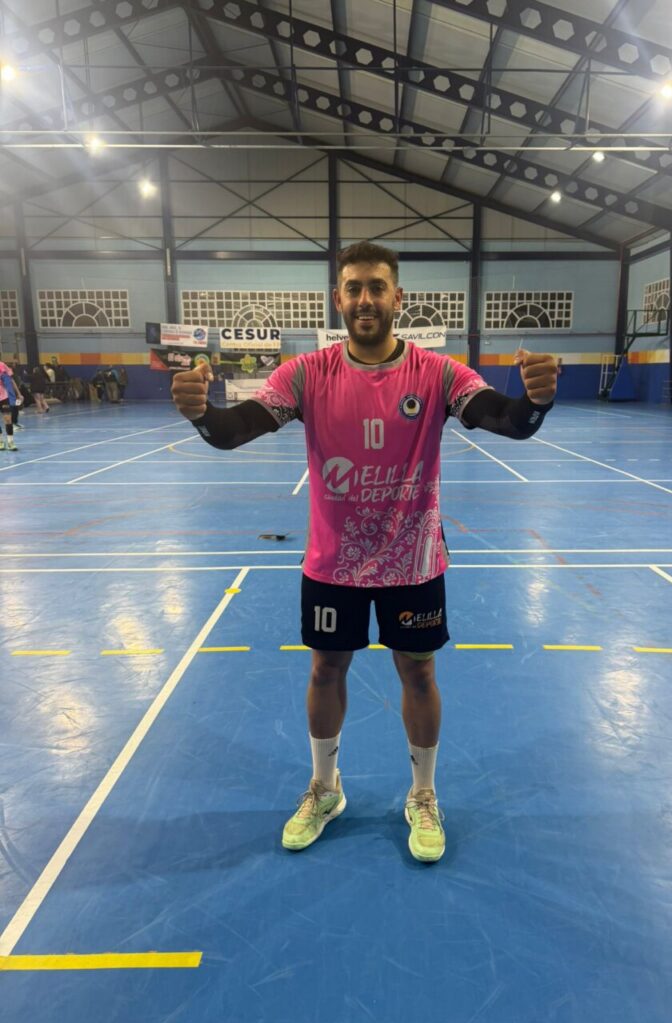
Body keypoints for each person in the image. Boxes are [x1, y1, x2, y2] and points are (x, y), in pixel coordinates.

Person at [171, 241, 558, 862]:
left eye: (377, 287)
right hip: (333, 563)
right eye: (353, 288)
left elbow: (504, 419)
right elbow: (233, 431)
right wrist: (201, 416)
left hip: (413, 562)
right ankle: (325, 788)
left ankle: (424, 795)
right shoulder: (306, 374)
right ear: (338, 299)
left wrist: (535, 401)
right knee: (326, 669)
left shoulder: (436, 374)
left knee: (419, 671)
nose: (365, 299)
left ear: (398, 297)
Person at [0, 359, 21, 451]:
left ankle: (10, 442)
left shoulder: (2, 365)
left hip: (4, 397)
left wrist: (19, 394)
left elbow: (11, 380)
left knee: (8, 419)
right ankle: (0, 441)